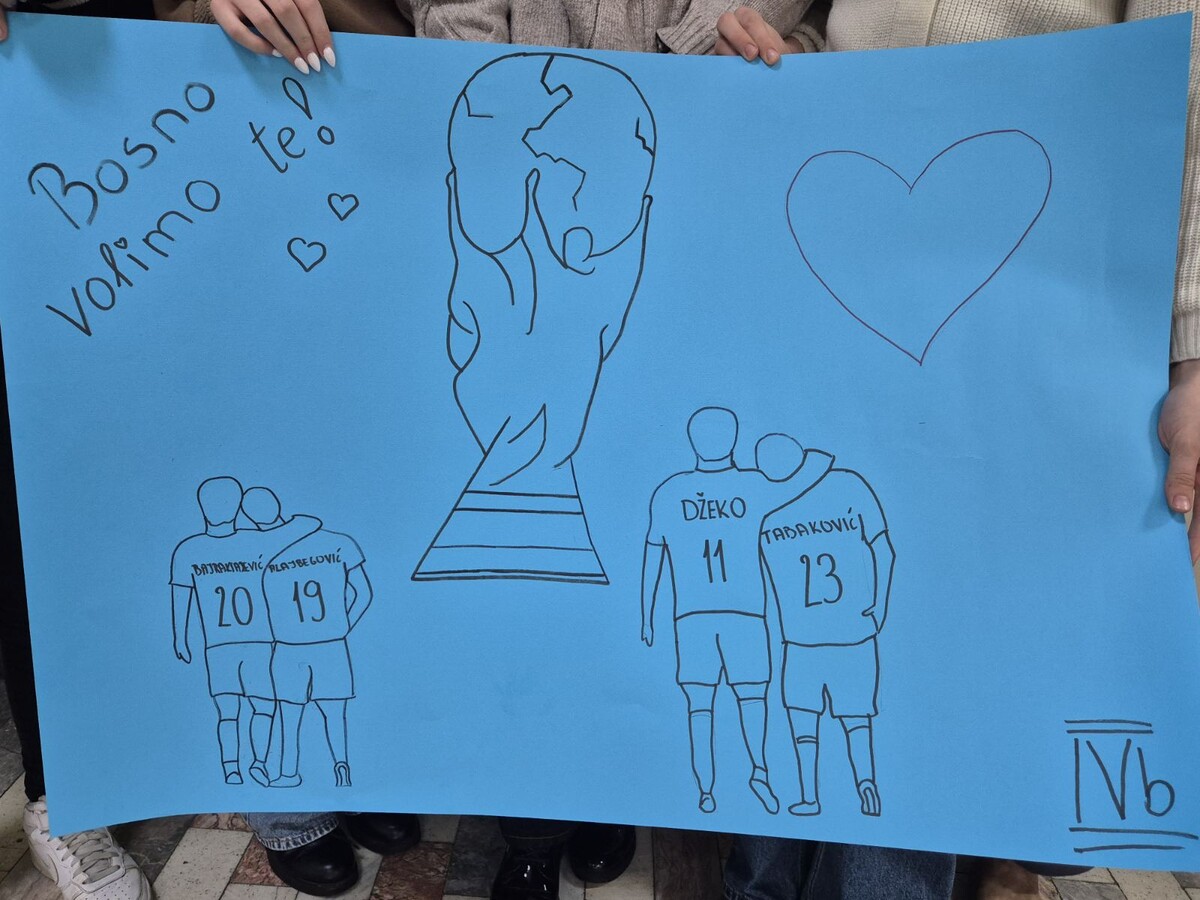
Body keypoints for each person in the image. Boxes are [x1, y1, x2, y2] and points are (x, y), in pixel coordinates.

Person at [711, 3, 1200, 899]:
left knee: (930, 675)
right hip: (831, 229)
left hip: (1040, 276)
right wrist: (785, 64)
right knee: (799, 612)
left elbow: (1186, 77)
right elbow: (822, 17)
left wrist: (1193, 352)